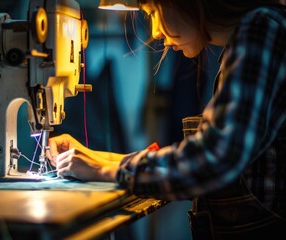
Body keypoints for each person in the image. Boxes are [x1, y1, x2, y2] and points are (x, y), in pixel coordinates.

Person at [46, 0, 286, 239]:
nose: (156, 32)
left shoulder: (262, 29)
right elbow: (200, 154)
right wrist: (95, 159)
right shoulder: (246, 41)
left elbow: (214, 158)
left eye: (152, 13)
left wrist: (105, 170)